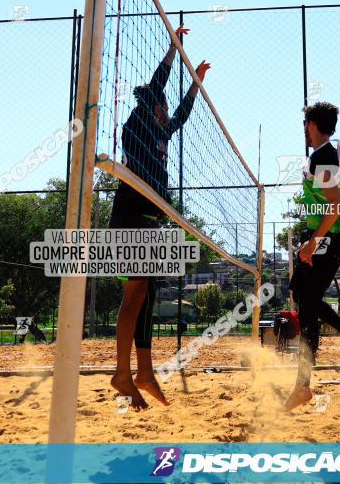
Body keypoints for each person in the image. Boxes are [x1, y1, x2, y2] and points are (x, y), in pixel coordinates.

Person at [110, 29, 210, 411]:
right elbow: (157, 85)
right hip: (130, 219)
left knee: (146, 297)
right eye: (161, 106)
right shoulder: (135, 129)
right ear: (151, 107)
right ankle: (122, 372)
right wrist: (173, 50)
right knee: (134, 296)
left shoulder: (161, 131)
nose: (166, 113)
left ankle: (144, 372)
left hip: (147, 223)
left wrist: (196, 84)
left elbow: (182, 116)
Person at [284, 101, 340, 411]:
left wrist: (313, 241)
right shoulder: (324, 155)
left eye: (305, 122)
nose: (303, 129)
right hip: (323, 236)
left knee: (306, 304)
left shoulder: (324, 156)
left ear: (311, 123)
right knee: (301, 295)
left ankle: (303, 386)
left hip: (327, 238)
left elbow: (334, 205)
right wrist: (311, 240)